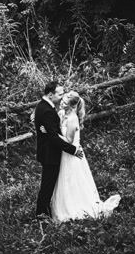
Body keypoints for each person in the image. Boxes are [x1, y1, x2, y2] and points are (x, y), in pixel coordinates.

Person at [51, 91, 121, 221]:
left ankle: (75, 207)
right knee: (63, 180)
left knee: (72, 181)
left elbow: (69, 141)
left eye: (65, 103)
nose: (61, 103)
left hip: (72, 155)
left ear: (72, 106)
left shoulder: (73, 119)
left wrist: (52, 134)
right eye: (62, 101)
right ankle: (63, 204)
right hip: (64, 153)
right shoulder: (62, 114)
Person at [33, 81, 82, 219]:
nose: (62, 96)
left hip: (48, 152)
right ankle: (41, 213)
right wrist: (73, 150)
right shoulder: (47, 110)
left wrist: (47, 131)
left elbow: (51, 131)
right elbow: (54, 138)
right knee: (47, 185)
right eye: (60, 94)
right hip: (50, 154)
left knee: (49, 184)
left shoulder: (43, 106)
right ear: (50, 94)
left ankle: (45, 210)